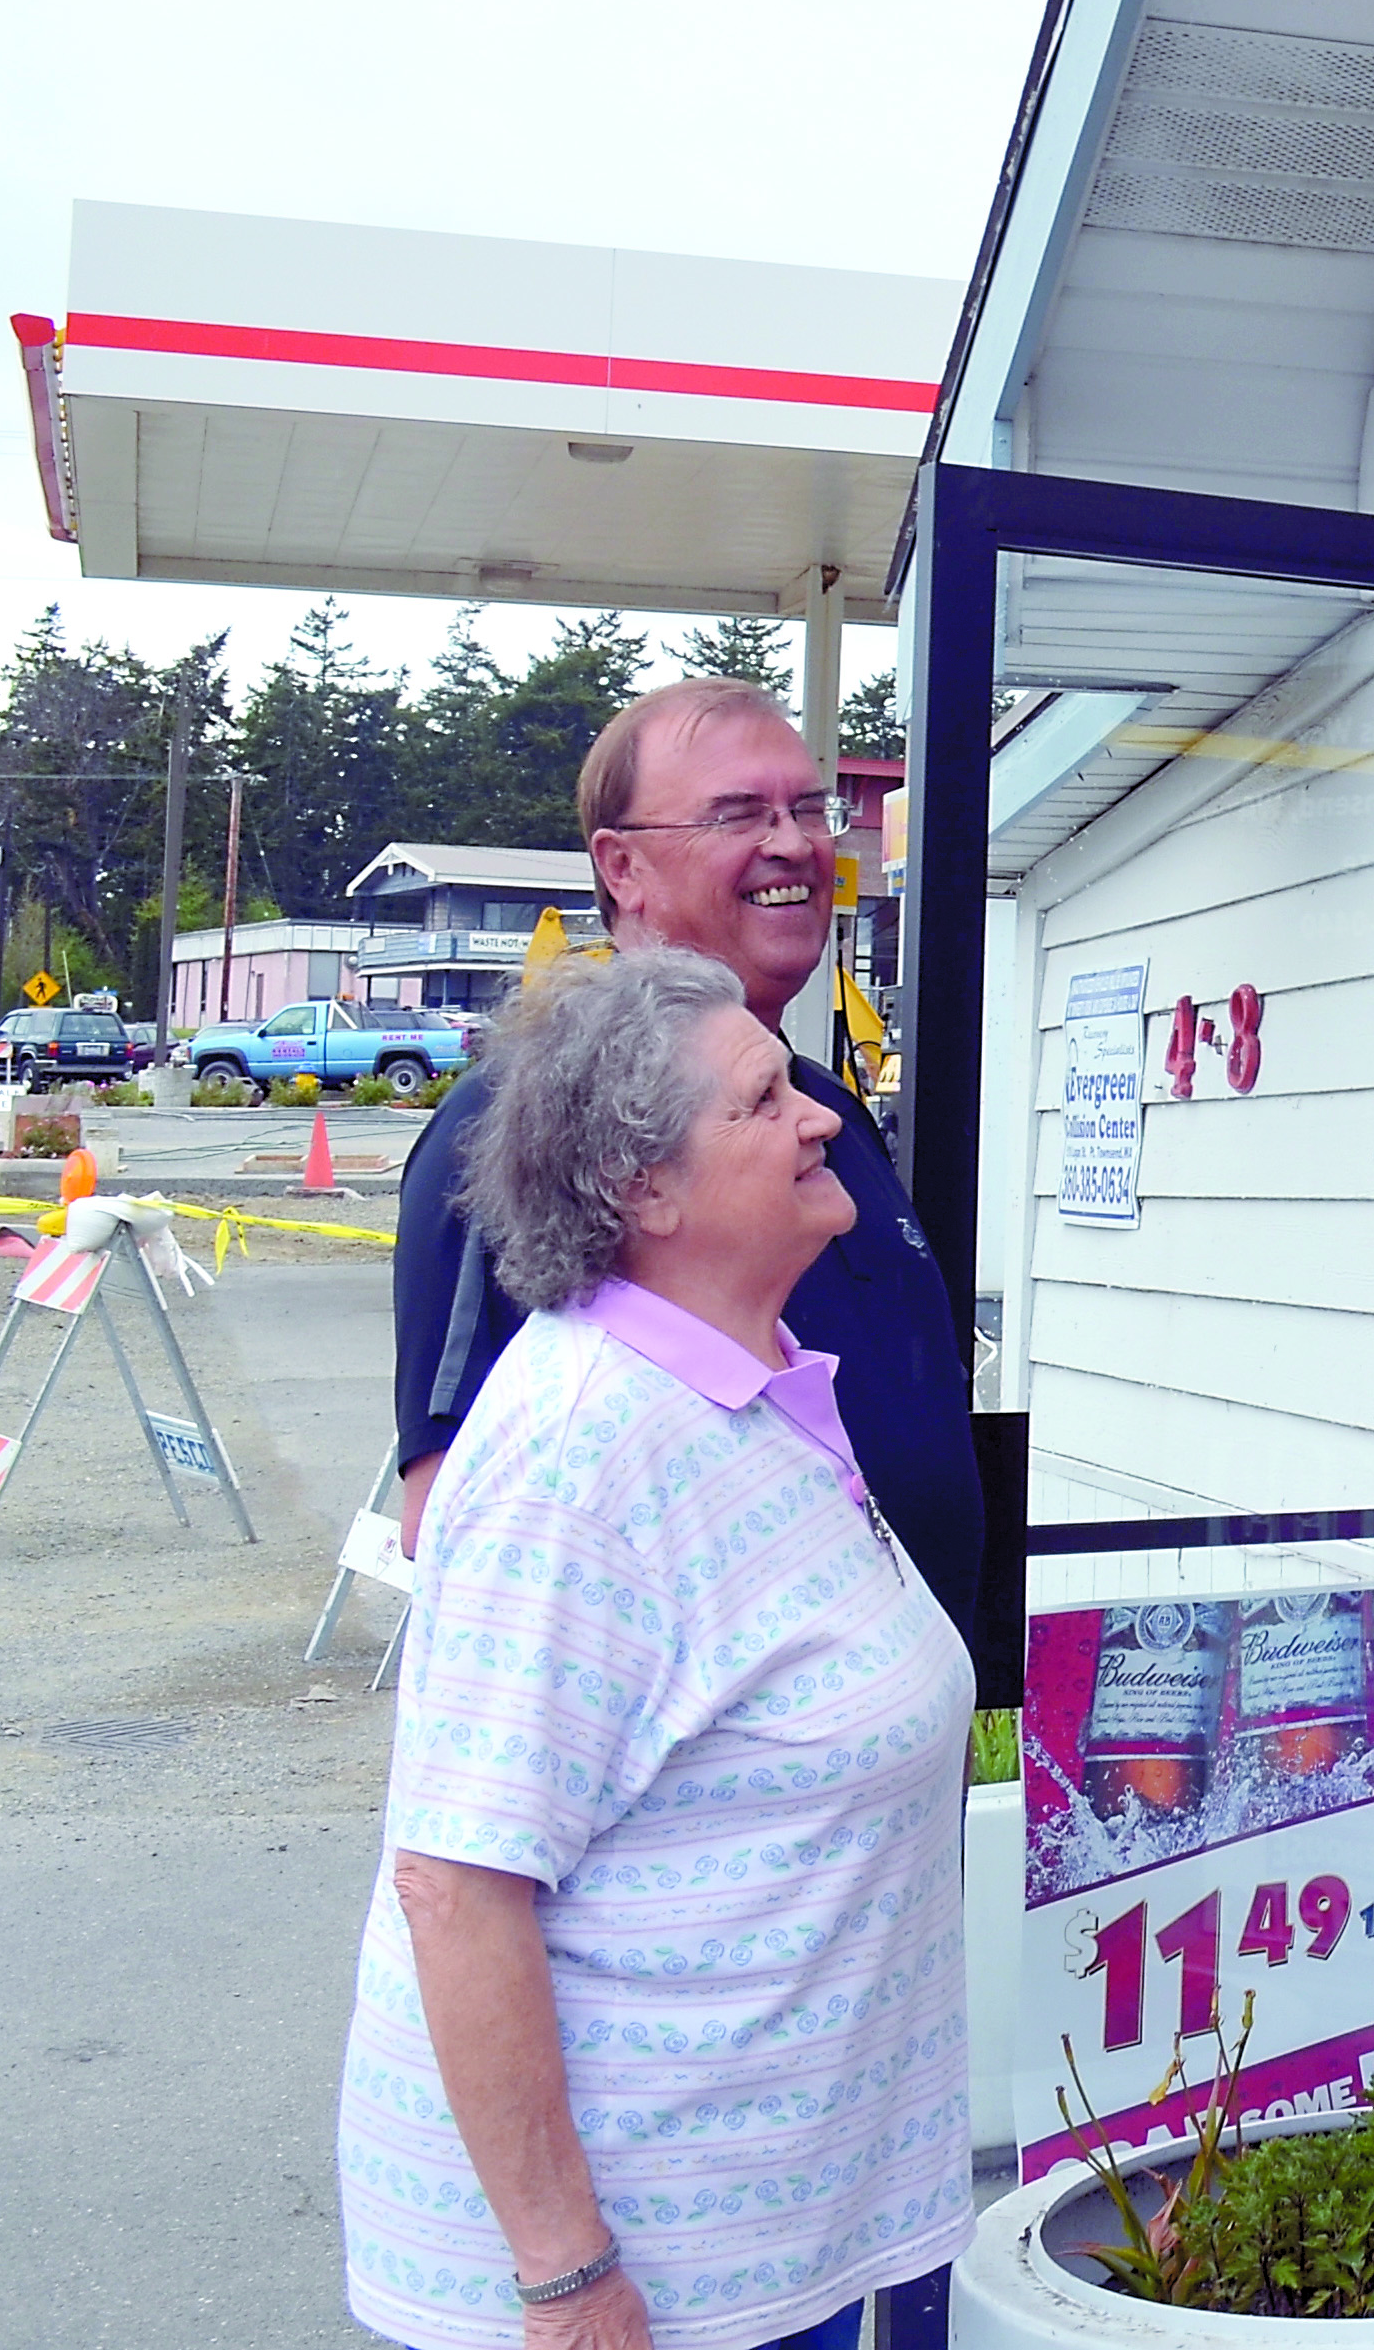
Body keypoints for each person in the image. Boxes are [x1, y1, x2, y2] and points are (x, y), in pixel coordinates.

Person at [340, 948, 973, 2349]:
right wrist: (567, 2279)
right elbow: (457, 1882)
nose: (817, 1114)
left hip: (758, 2240)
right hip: (646, 2285)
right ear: (647, 1189)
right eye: (763, 1100)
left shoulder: (746, 1388)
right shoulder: (582, 1455)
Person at [392, 676, 979, 1624]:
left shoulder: (825, 1108)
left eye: (807, 808)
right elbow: (455, 1520)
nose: (793, 842)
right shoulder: (520, 1120)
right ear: (621, 868)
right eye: (738, 813)